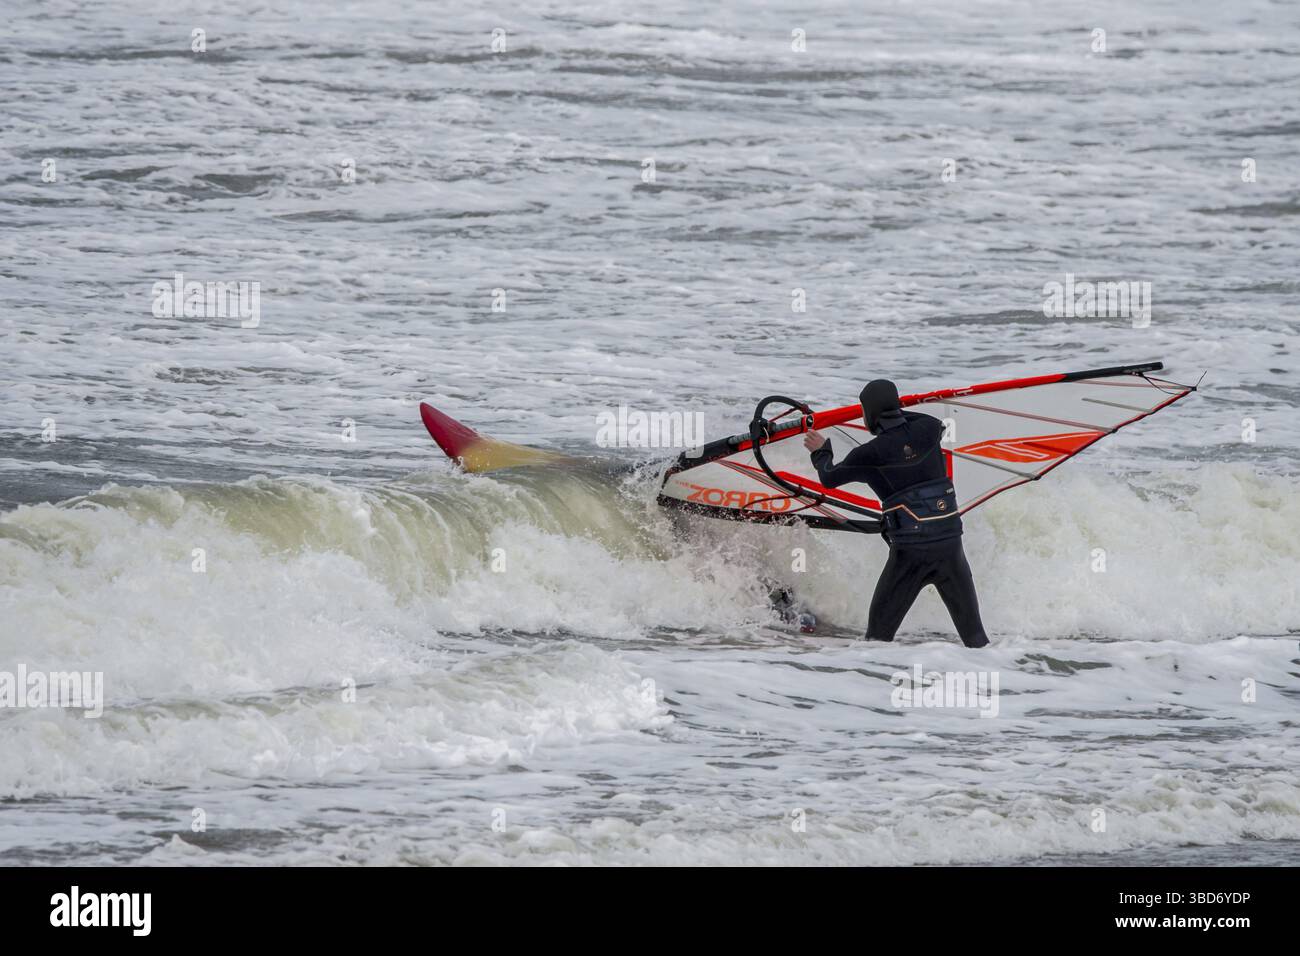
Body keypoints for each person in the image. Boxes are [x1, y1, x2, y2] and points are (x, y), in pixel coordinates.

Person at [802, 380, 989, 648]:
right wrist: (891, 411)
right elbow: (910, 419)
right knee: (976, 640)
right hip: (951, 552)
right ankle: (1004, 680)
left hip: (909, 558)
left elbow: (829, 478)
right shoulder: (929, 428)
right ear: (898, 405)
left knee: (877, 641)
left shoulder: (869, 454)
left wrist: (821, 451)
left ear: (869, 414)